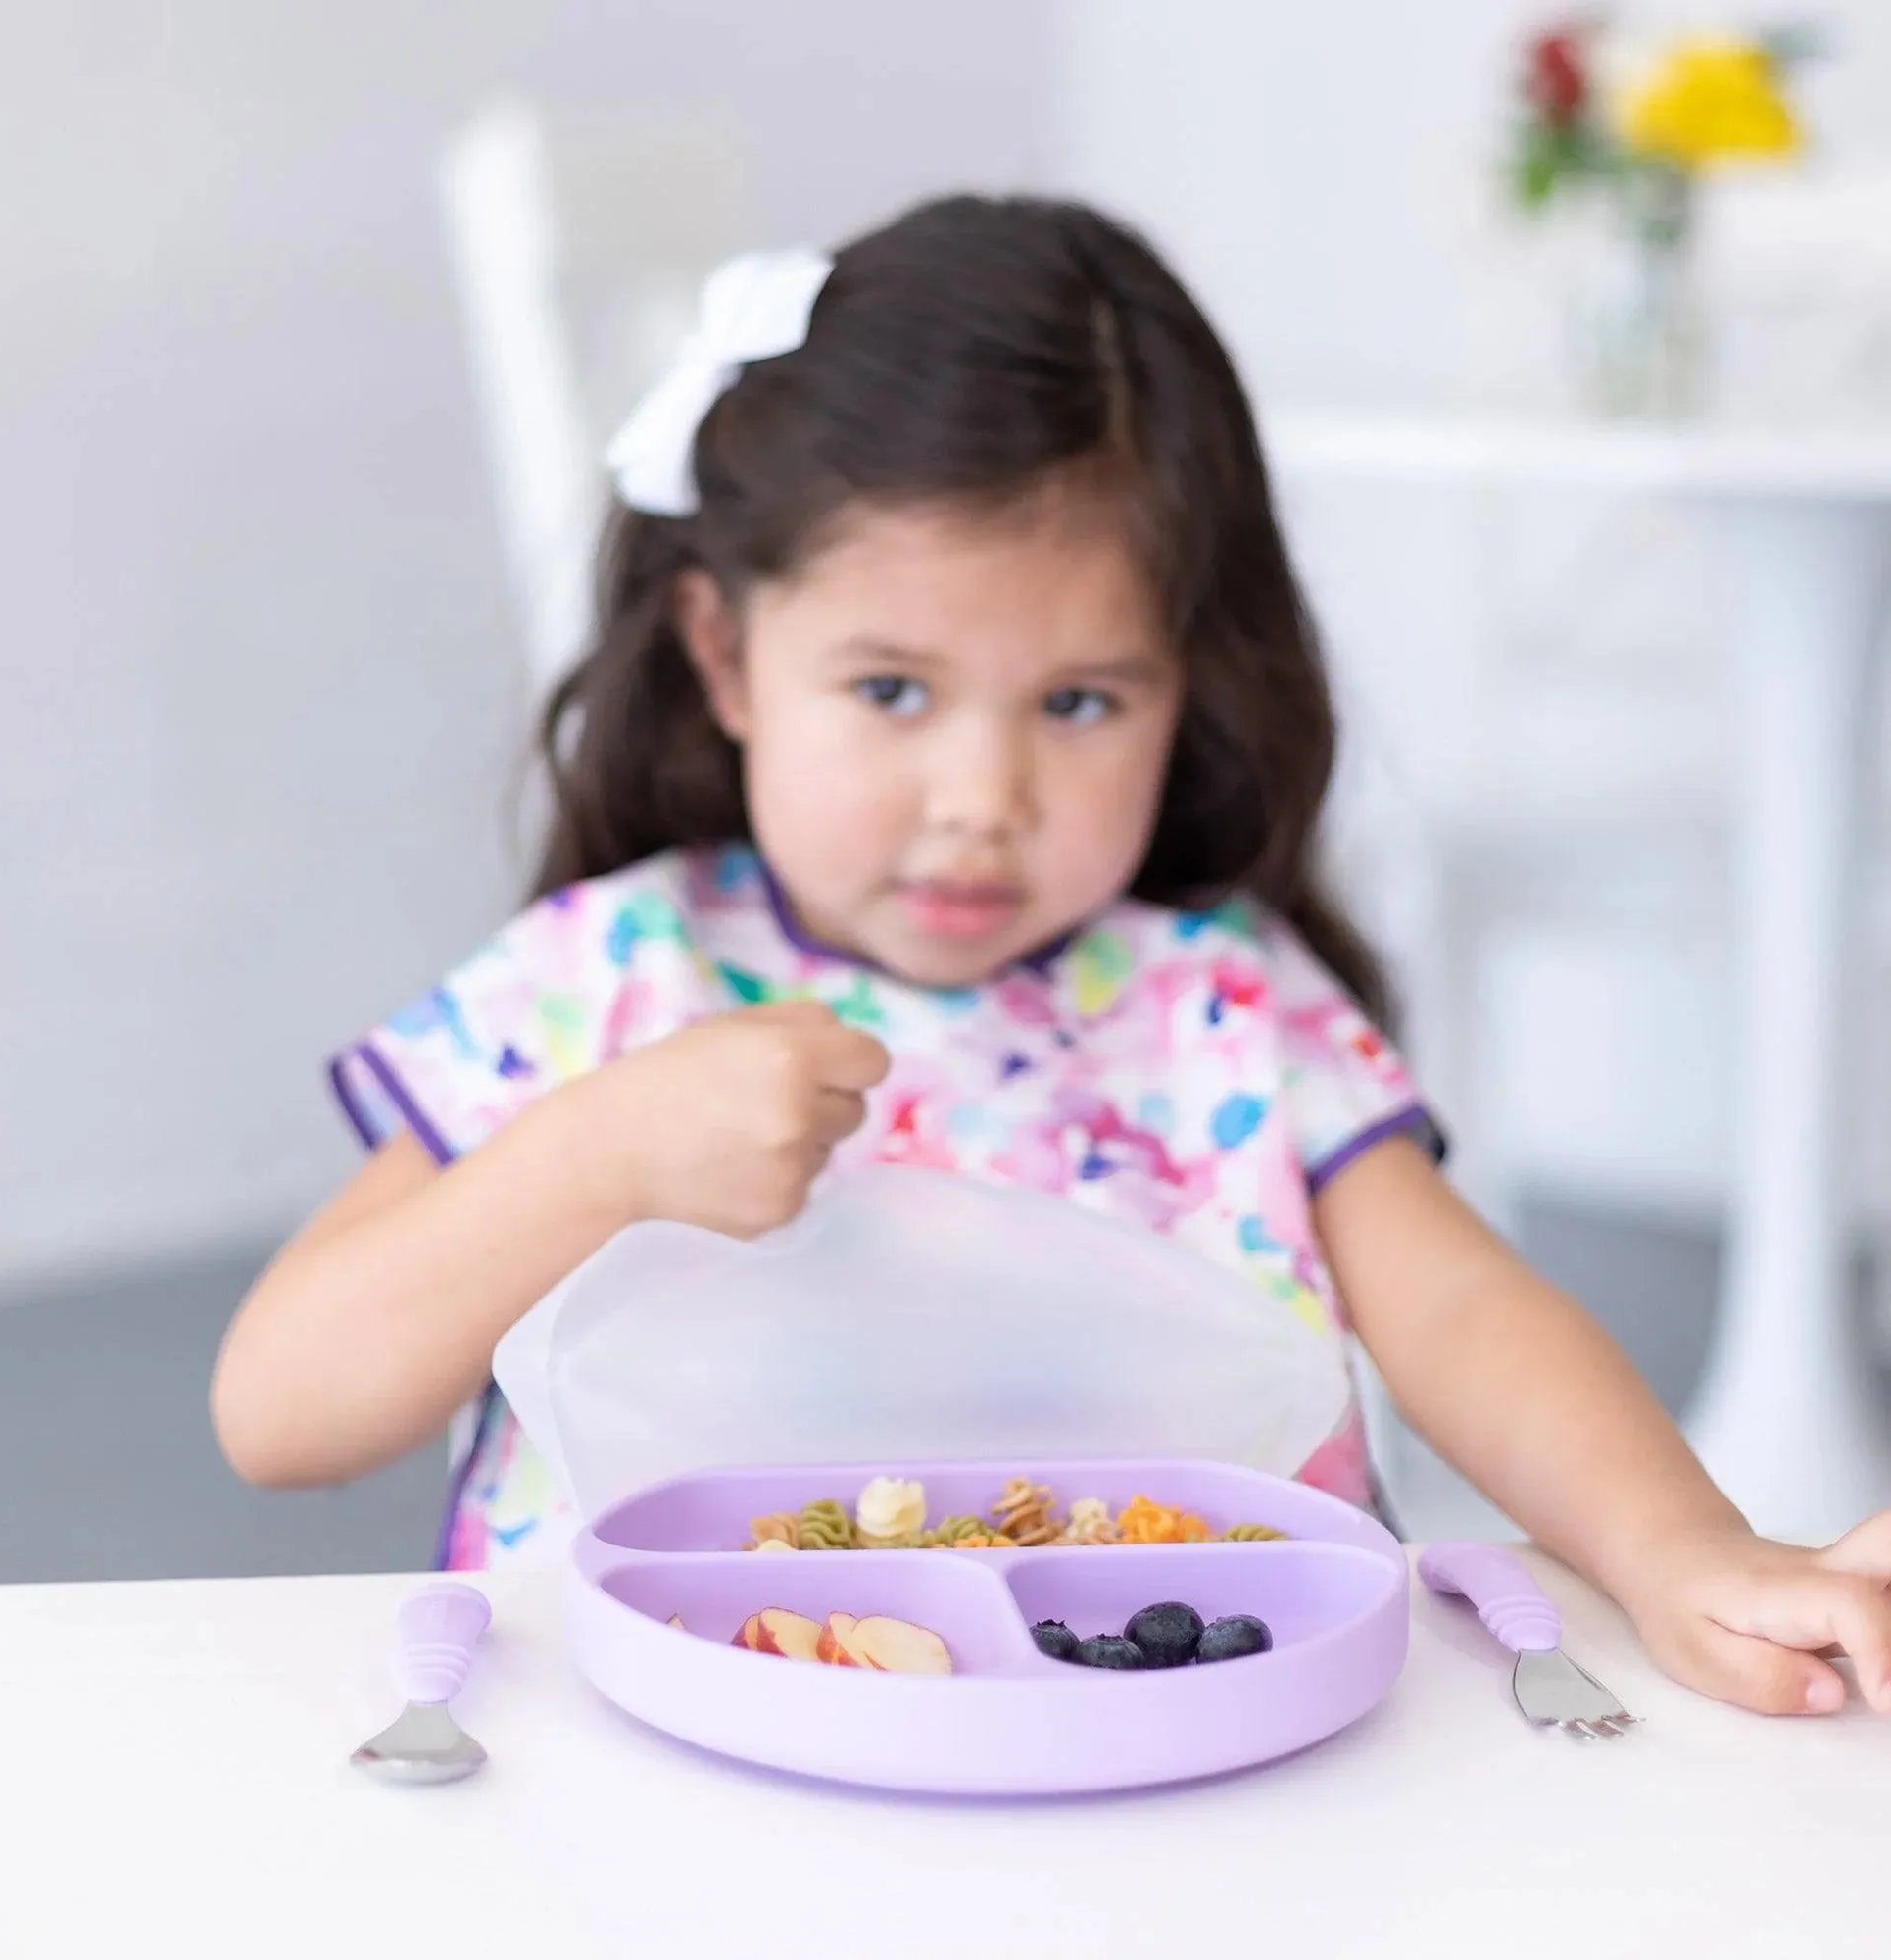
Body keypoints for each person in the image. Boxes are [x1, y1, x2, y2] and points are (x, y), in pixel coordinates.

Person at [212, 195, 1891, 1716]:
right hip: (665, 1755)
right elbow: (279, 1412)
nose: (981, 801)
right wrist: (591, 1158)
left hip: (1181, 1761)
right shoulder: (603, 981)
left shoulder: (1222, 1002)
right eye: (891, 692)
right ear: (726, 653)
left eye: (1079, 703)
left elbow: (1462, 1307)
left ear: (1189, 683)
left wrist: (1680, 1548)